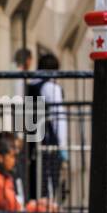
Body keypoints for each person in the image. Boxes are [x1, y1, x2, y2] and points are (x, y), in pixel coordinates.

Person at [24, 52, 64, 204]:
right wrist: (62, 144)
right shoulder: (50, 87)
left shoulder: (30, 85)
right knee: (50, 182)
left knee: (35, 179)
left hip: (32, 138)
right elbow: (59, 117)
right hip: (48, 140)